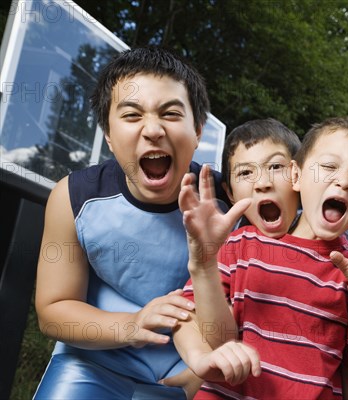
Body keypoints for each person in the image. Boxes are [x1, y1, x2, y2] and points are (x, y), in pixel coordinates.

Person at [34, 46, 259, 399]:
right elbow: (53, 311)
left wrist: (203, 371)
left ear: (198, 130)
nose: (153, 129)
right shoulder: (73, 197)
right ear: (108, 134)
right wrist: (133, 324)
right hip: (92, 362)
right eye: (131, 115)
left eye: (170, 113)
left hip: (189, 371)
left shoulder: (232, 204)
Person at [178, 116, 348, 398]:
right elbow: (214, 336)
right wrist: (204, 264)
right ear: (298, 176)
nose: (343, 180)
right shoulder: (239, 246)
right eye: (329, 166)